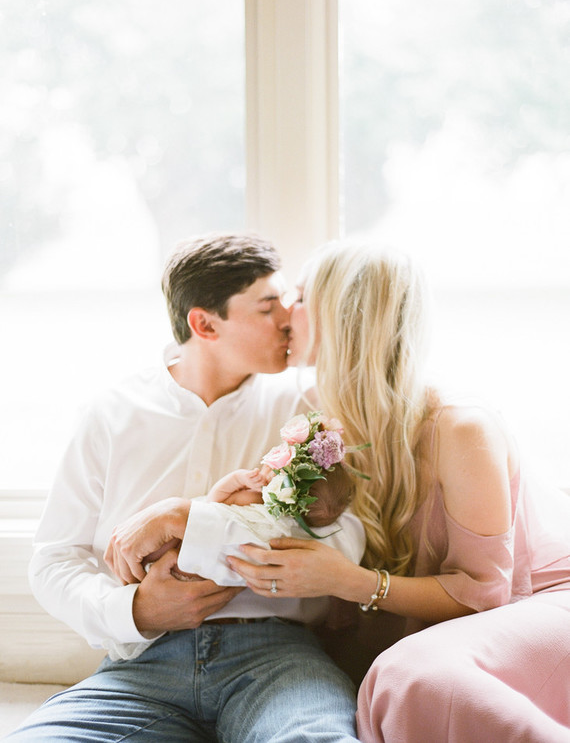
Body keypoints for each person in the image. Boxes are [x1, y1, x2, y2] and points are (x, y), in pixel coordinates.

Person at [8, 233, 364, 743]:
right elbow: (54, 559)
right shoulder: (113, 413)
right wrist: (135, 611)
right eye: (268, 307)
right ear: (204, 323)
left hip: (277, 659)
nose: (289, 319)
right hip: (140, 666)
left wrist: (192, 518)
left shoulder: (307, 409)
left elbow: (346, 538)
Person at [225, 240, 570, 742]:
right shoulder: (315, 412)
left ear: (339, 316)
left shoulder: (459, 427)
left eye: (298, 298)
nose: (284, 314)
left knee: (411, 674)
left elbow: (484, 593)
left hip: (537, 606)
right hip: (425, 629)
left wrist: (348, 581)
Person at [139, 459, 354, 588]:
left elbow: (213, 504)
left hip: (192, 543)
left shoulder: (253, 498)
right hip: (211, 569)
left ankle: (144, 566)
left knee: (164, 547)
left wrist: (239, 479)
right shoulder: (286, 529)